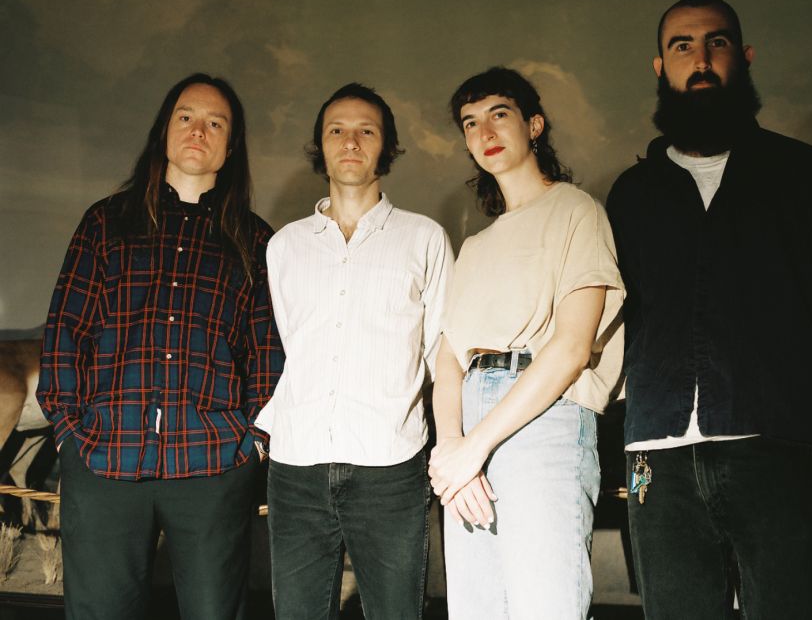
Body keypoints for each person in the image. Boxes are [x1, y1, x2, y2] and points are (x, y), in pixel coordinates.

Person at [606, 0, 812, 619]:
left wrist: (785, 389)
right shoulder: (632, 193)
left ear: (743, 57)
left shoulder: (800, 172)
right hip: (656, 459)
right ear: (659, 67)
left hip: (775, 442)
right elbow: (617, 314)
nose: (700, 60)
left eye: (715, 43)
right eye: (682, 46)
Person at [36, 73, 284, 620]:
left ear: (231, 145)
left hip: (214, 462)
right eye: (186, 117)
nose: (199, 130)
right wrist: (69, 432)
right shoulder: (105, 222)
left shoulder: (255, 240)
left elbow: (268, 350)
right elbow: (65, 332)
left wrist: (254, 440)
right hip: (104, 456)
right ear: (164, 130)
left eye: (215, 123)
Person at [429, 67, 625, 619]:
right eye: (470, 123)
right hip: (470, 426)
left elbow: (570, 348)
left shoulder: (576, 210)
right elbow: (449, 361)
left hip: (546, 419)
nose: (485, 131)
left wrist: (474, 447)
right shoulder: (475, 245)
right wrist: (452, 448)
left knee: (546, 605)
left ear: (534, 125)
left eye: (499, 114)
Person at [256, 83, 453, 620]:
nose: (350, 141)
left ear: (385, 147)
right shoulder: (284, 246)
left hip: (390, 467)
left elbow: (440, 354)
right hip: (296, 467)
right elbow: (283, 344)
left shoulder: (424, 239)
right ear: (320, 145)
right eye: (336, 130)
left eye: (366, 130)